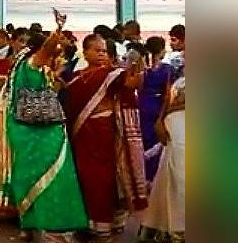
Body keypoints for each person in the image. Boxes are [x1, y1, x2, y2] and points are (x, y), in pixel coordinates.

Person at [0, 11, 88, 242]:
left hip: (24, 128)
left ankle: (28, 226)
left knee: (26, 175)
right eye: (54, 52)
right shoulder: (34, 61)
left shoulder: (23, 64)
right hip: (40, 132)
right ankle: (51, 224)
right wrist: (57, 30)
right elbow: (47, 50)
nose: (56, 56)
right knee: (52, 174)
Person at [63, 34, 148, 238]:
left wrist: (138, 65)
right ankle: (86, 222)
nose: (101, 54)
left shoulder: (112, 75)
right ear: (85, 53)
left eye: (104, 51)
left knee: (104, 179)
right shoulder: (75, 78)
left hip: (105, 136)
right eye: (97, 50)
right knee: (84, 178)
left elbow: (132, 84)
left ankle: (104, 225)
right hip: (81, 135)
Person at [138, 75, 185, 243]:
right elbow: (168, 102)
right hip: (175, 132)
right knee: (173, 178)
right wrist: (164, 115)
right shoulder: (180, 82)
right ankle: (173, 230)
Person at [139, 36, 173, 181]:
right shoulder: (167, 69)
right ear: (161, 50)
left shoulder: (143, 69)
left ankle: (143, 176)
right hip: (157, 105)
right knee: (156, 140)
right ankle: (154, 177)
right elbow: (167, 94)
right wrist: (163, 114)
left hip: (142, 103)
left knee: (143, 140)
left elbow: (139, 87)